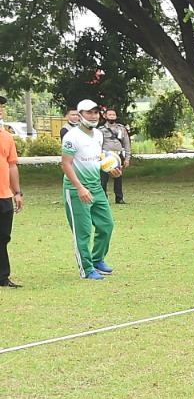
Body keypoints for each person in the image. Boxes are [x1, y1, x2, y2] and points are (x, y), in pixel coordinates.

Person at [61, 100, 118, 279]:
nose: (93, 116)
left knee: (106, 225)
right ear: (80, 115)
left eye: (95, 112)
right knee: (83, 232)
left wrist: (110, 168)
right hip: (76, 189)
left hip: (96, 187)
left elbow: (97, 158)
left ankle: (97, 259)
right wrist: (79, 188)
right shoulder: (72, 136)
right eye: (88, 113)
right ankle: (86, 269)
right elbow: (66, 164)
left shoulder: (99, 135)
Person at [0, 96, 21, 287]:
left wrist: (17, 192)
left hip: (4, 195)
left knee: (3, 237)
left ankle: (2, 277)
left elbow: (12, 165)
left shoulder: (6, 136)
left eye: (1, 107)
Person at [98, 107, 131, 204]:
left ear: (116, 116)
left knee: (118, 178)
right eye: (110, 114)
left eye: (113, 114)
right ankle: (103, 198)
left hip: (118, 156)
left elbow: (126, 143)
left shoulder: (121, 128)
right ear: (105, 116)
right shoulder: (100, 129)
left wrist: (127, 158)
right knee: (103, 179)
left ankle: (119, 198)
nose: (112, 116)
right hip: (105, 156)